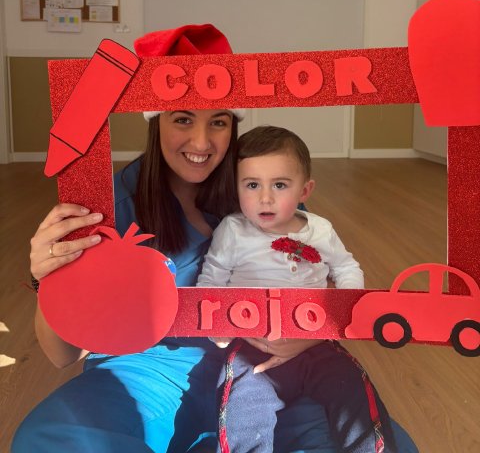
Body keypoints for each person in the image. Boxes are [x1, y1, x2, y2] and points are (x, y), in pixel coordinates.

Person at [13, 25, 418, 453]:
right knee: (51, 441)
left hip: (265, 364)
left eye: (219, 122)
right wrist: (51, 279)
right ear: (157, 122)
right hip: (152, 370)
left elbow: (324, 277)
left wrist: (313, 333)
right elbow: (63, 354)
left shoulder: (261, 193)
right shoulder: (107, 207)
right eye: (183, 118)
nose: (201, 142)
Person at [197, 125, 398, 453]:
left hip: (316, 341)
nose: (265, 198)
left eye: (280, 185)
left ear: (305, 190)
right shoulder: (232, 230)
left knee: (353, 390)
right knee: (243, 406)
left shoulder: (320, 230)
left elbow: (347, 268)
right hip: (253, 346)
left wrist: (342, 312)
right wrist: (218, 327)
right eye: (252, 185)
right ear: (236, 188)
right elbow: (211, 281)